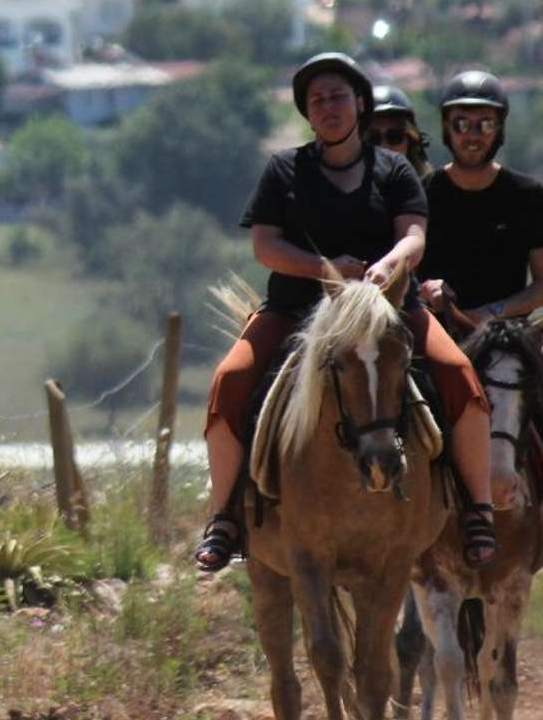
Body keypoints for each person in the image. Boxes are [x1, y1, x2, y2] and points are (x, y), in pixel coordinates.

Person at [196, 53, 497, 572]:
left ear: (359, 104)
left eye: (338, 97)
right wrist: (323, 269)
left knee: (462, 379)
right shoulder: (284, 170)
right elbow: (265, 246)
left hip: (384, 314)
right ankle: (225, 515)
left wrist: (386, 267)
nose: (328, 107)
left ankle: (477, 507)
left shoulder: (395, 170)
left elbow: (414, 237)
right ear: (307, 114)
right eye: (317, 101)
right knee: (229, 381)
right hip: (295, 312)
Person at [413, 69, 543, 597]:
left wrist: (493, 313)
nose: (472, 132)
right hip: (441, 339)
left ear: (499, 129)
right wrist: (427, 291)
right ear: (447, 129)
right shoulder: (423, 195)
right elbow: (406, 265)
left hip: (509, 343)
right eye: (461, 122)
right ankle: (391, 531)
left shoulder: (528, 196)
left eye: (483, 122)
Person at [368, 85, 434, 177]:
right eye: (373, 139)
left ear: (411, 142)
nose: (384, 147)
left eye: (394, 137)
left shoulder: (431, 188)